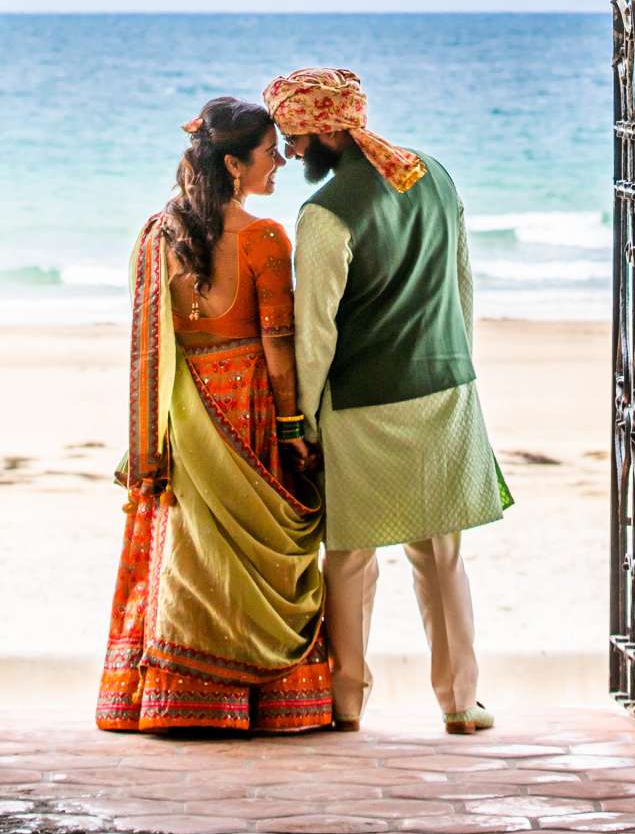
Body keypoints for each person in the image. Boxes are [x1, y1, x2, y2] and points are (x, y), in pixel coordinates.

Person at [263, 66, 510, 736]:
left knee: (348, 557)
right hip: (447, 386)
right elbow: (463, 286)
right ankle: (461, 703)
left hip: (363, 404)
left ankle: (345, 704)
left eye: (291, 138)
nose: (288, 153)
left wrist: (300, 419)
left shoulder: (324, 213)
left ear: (317, 132)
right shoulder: (434, 172)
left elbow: (316, 333)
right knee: (443, 554)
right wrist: (459, 364)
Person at [96, 95, 333, 733]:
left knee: (191, 548)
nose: (281, 159)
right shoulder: (264, 239)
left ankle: (180, 694)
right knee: (250, 559)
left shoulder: (159, 232)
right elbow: (279, 347)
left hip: (183, 408)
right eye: (267, 152)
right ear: (233, 164)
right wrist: (291, 429)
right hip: (246, 407)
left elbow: (151, 337)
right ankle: (262, 700)